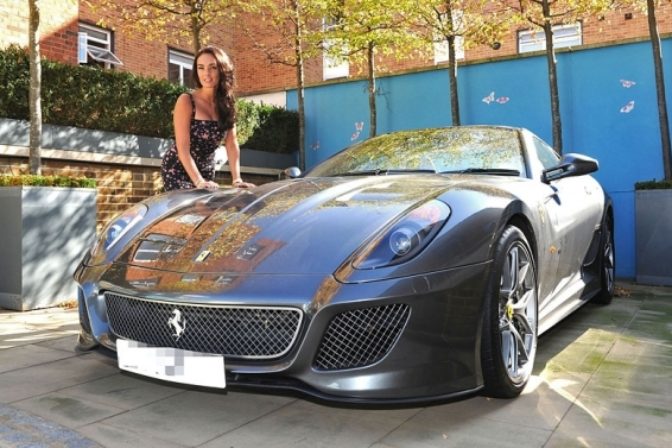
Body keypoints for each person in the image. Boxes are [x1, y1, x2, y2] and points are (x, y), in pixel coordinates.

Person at [161, 45, 254, 191]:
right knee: (188, 212)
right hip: (178, 169)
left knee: (206, 213)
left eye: (213, 67)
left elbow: (231, 143)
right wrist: (198, 181)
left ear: (222, 69)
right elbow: (182, 148)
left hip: (206, 170)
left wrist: (237, 179)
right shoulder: (186, 101)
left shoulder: (228, 104)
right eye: (201, 68)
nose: (206, 74)